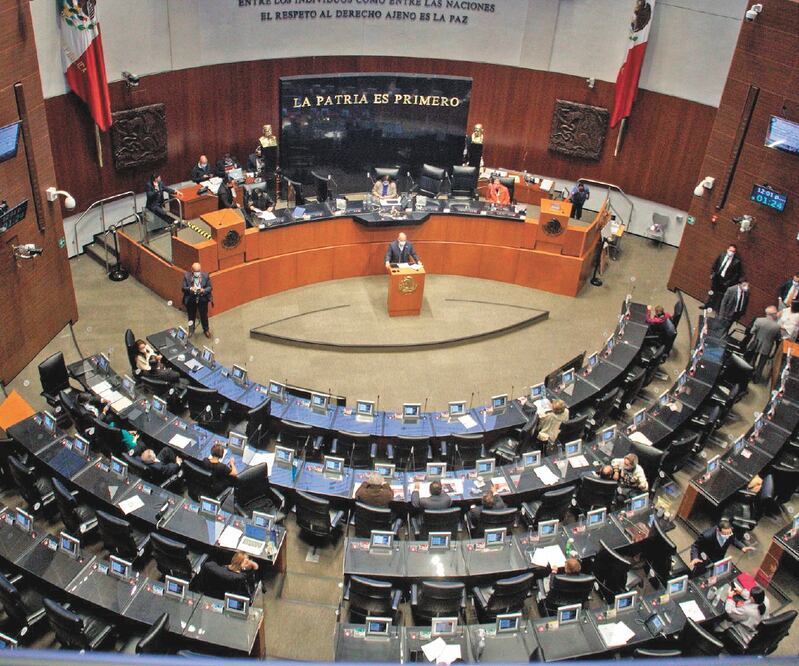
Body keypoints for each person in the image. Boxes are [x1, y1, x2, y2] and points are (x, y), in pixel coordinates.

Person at [689, 518, 755, 573]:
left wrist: (742, 547)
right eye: (725, 534)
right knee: (698, 574)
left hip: (718, 560)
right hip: (705, 560)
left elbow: (733, 539)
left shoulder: (729, 532)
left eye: (729, 533)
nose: (727, 535)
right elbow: (695, 546)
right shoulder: (707, 536)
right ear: (718, 530)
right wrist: (694, 557)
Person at [746, 306, 782, 383]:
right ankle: (756, 379)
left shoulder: (759, 320)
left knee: (752, 360)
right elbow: (778, 338)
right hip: (767, 347)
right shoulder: (777, 327)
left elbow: (752, 331)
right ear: (773, 314)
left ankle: (747, 375)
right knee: (761, 364)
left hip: (755, 343)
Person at [704, 245, 743, 311]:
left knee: (721, 296)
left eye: (733, 251)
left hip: (725, 281)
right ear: (727, 250)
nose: (731, 252)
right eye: (730, 250)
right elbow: (715, 264)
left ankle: (717, 309)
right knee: (712, 292)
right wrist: (712, 274)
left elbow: (736, 275)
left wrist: (728, 282)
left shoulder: (736, 262)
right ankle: (707, 305)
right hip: (717, 277)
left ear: (735, 252)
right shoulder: (722, 255)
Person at [182, 262, 213, 338]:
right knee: (191, 316)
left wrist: (203, 290)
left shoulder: (205, 275)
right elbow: (183, 288)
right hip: (191, 299)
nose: (197, 273)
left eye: (199, 271)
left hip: (202, 299)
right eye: (196, 271)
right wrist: (190, 288)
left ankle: (206, 329)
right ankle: (191, 330)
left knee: (204, 315)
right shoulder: (186, 276)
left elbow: (210, 287)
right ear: (192, 270)